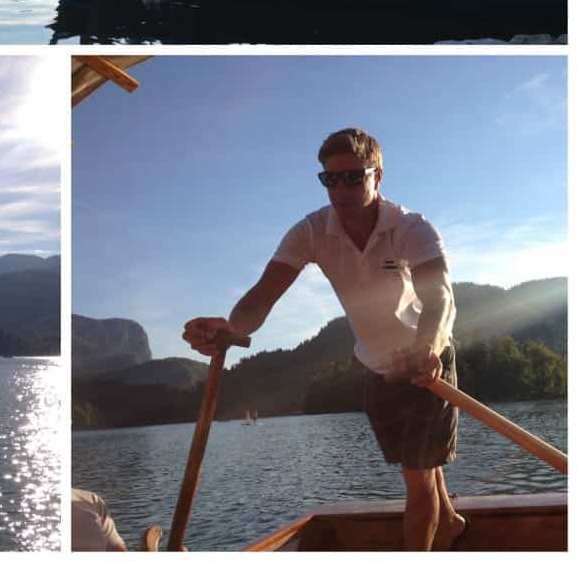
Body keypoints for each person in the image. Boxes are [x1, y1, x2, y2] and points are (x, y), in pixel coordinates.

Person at [183, 128, 466, 552]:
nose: (341, 188)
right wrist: (234, 331)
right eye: (330, 179)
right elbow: (263, 295)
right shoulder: (311, 231)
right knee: (417, 464)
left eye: (353, 177)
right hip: (376, 364)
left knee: (418, 475)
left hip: (427, 360)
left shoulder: (411, 227)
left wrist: (428, 345)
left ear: (378, 176)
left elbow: (439, 295)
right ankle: (450, 524)